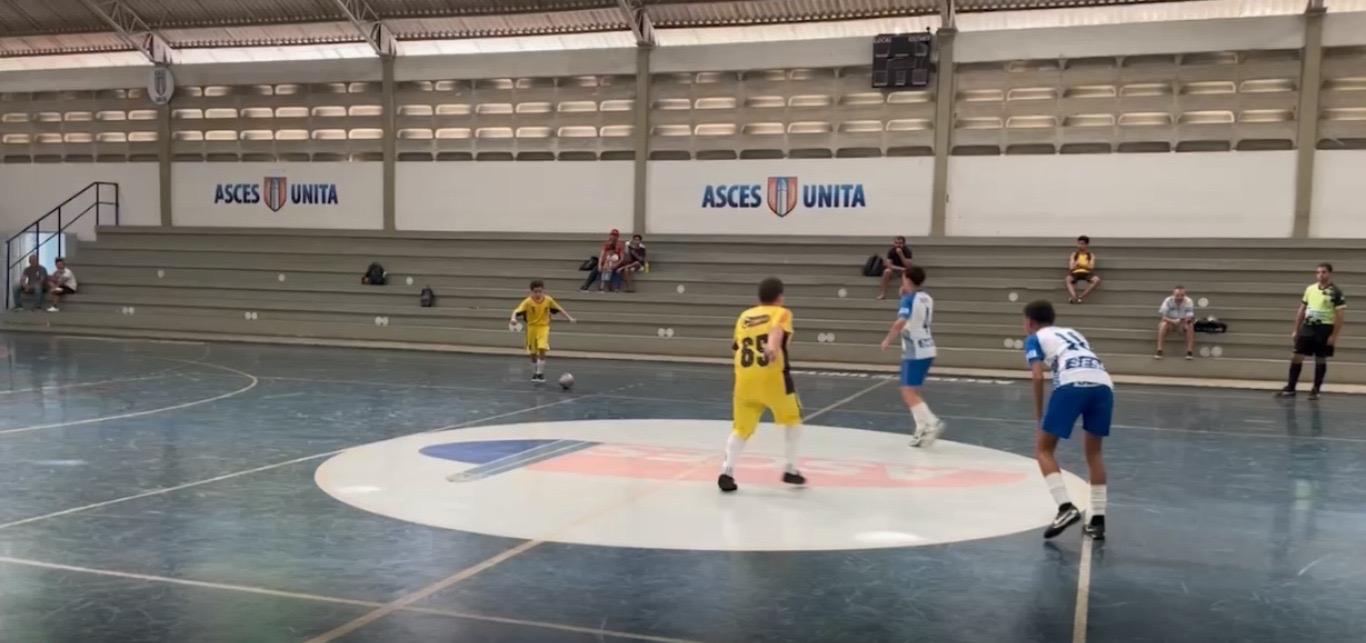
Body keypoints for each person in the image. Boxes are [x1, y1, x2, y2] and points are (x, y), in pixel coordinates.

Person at [1022, 300, 1111, 541]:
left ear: (1029, 322)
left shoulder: (1033, 338)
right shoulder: (1073, 333)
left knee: (1043, 449)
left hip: (1072, 383)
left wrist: (1039, 415)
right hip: (1103, 384)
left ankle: (1065, 507)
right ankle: (1098, 521)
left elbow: (1037, 376)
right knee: (1094, 453)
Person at [719, 277, 804, 493]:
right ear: (780, 297)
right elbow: (776, 331)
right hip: (773, 378)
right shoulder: (781, 313)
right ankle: (790, 468)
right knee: (793, 419)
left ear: (758, 297)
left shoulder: (744, 316)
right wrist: (772, 346)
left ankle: (727, 471)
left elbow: (737, 345)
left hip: (744, 380)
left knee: (740, 429)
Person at [880, 266, 944, 447]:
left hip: (914, 350)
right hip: (928, 347)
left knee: (907, 392)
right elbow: (917, 313)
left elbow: (902, 320)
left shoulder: (908, 299)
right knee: (913, 391)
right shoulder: (927, 298)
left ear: (907, 279)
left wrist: (887, 339)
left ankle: (932, 422)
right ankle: (921, 428)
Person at [1276, 263, 1346, 401]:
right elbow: (1302, 309)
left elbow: (1340, 316)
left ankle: (1316, 389)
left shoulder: (1336, 292)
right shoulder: (1310, 289)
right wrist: (1296, 329)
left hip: (1324, 328)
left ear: (1330, 274)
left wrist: (1334, 335)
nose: (1321, 275)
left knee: (1320, 358)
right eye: (1318, 272)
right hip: (1308, 327)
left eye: (1324, 272)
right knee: (1297, 356)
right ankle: (1290, 388)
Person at [510, 280, 576, 383]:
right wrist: (513, 319)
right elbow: (516, 311)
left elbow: (559, 309)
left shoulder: (548, 300)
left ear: (543, 291)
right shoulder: (527, 302)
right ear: (531, 292)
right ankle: (535, 372)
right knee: (532, 353)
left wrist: (569, 318)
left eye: (540, 291)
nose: (538, 294)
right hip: (531, 327)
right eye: (535, 292)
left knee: (542, 348)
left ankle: (540, 373)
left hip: (543, 327)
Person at [1155, 286, 1195, 360]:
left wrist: (1185, 319)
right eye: (1177, 295)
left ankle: (1189, 351)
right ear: (1173, 294)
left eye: (1182, 295)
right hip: (1170, 321)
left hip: (1182, 322)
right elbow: (1163, 317)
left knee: (1190, 326)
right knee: (1163, 325)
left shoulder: (1188, 301)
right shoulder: (1168, 301)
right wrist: (1173, 321)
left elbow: (1189, 315)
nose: (1180, 297)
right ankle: (1159, 350)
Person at [1065, 235, 1100, 304]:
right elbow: (1071, 267)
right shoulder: (1074, 254)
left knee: (1096, 280)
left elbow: (1091, 267)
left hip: (1087, 273)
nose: (1080, 245)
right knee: (1067, 279)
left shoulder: (1090, 255)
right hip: (1076, 272)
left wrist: (1079, 264)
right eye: (1079, 243)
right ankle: (1074, 296)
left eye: (1082, 244)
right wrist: (1084, 264)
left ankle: (1081, 297)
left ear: (1086, 245)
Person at [876, 236, 912, 300]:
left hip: (905, 271)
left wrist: (901, 255)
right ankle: (883, 294)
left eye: (900, 243)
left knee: (908, 273)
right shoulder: (891, 251)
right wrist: (901, 268)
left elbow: (908, 265)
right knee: (886, 271)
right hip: (895, 270)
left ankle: (906, 295)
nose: (897, 245)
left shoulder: (907, 251)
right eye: (896, 243)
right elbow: (889, 265)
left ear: (903, 244)